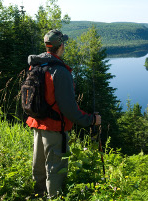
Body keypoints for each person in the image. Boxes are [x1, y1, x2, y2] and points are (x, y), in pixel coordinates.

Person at [26, 29, 101, 198]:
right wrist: (91, 120)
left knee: (39, 165)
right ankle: (54, 197)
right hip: (55, 128)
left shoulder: (37, 64)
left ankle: (38, 195)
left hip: (37, 123)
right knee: (55, 168)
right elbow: (70, 110)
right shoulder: (60, 72)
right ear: (61, 46)